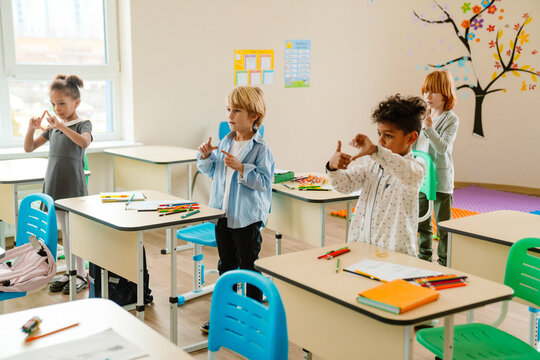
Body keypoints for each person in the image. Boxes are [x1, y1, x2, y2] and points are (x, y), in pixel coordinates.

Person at [197, 86, 274, 333]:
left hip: (247, 219)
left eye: (236, 110)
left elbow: (264, 182)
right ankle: (226, 314)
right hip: (222, 216)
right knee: (225, 266)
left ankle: (252, 316)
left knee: (249, 266)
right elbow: (212, 173)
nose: (230, 115)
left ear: (254, 116)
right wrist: (207, 156)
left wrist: (242, 169)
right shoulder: (225, 142)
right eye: (228, 109)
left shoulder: (261, 149)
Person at [326, 94, 426, 257]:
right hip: (362, 247)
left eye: (388, 135)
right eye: (378, 133)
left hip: (396, 256)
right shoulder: (372, 165)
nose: (380, 141)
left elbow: (405, 171)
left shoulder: (416, 168)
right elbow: (345, 185)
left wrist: (375, 151)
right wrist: (333, 167)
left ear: (411, 137)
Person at [24, 74, 92, 294]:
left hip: (73, 187)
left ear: (76, 103)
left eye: (62, 103)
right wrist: (31, 128)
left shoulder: (82, 124)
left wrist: (61, 127)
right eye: (53, 104)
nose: (57, 108)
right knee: (64, 231)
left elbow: (84, 142)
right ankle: (71, 271)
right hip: (54, 185)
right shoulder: (53, 127)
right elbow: (29, 148)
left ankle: (82, 274)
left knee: (75, 232)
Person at [414, 70, 459, 266]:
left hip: (440, 180)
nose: (428, 96)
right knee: (421, 220)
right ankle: (424, 257)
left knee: (443, 226)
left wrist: (429, 128)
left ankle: (443, 262)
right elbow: (416, 145)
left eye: (433, 92)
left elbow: (442, 148)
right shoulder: (423, 114)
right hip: (422, 178)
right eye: (426, 92)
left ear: (445, 94)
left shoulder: (451, 119)